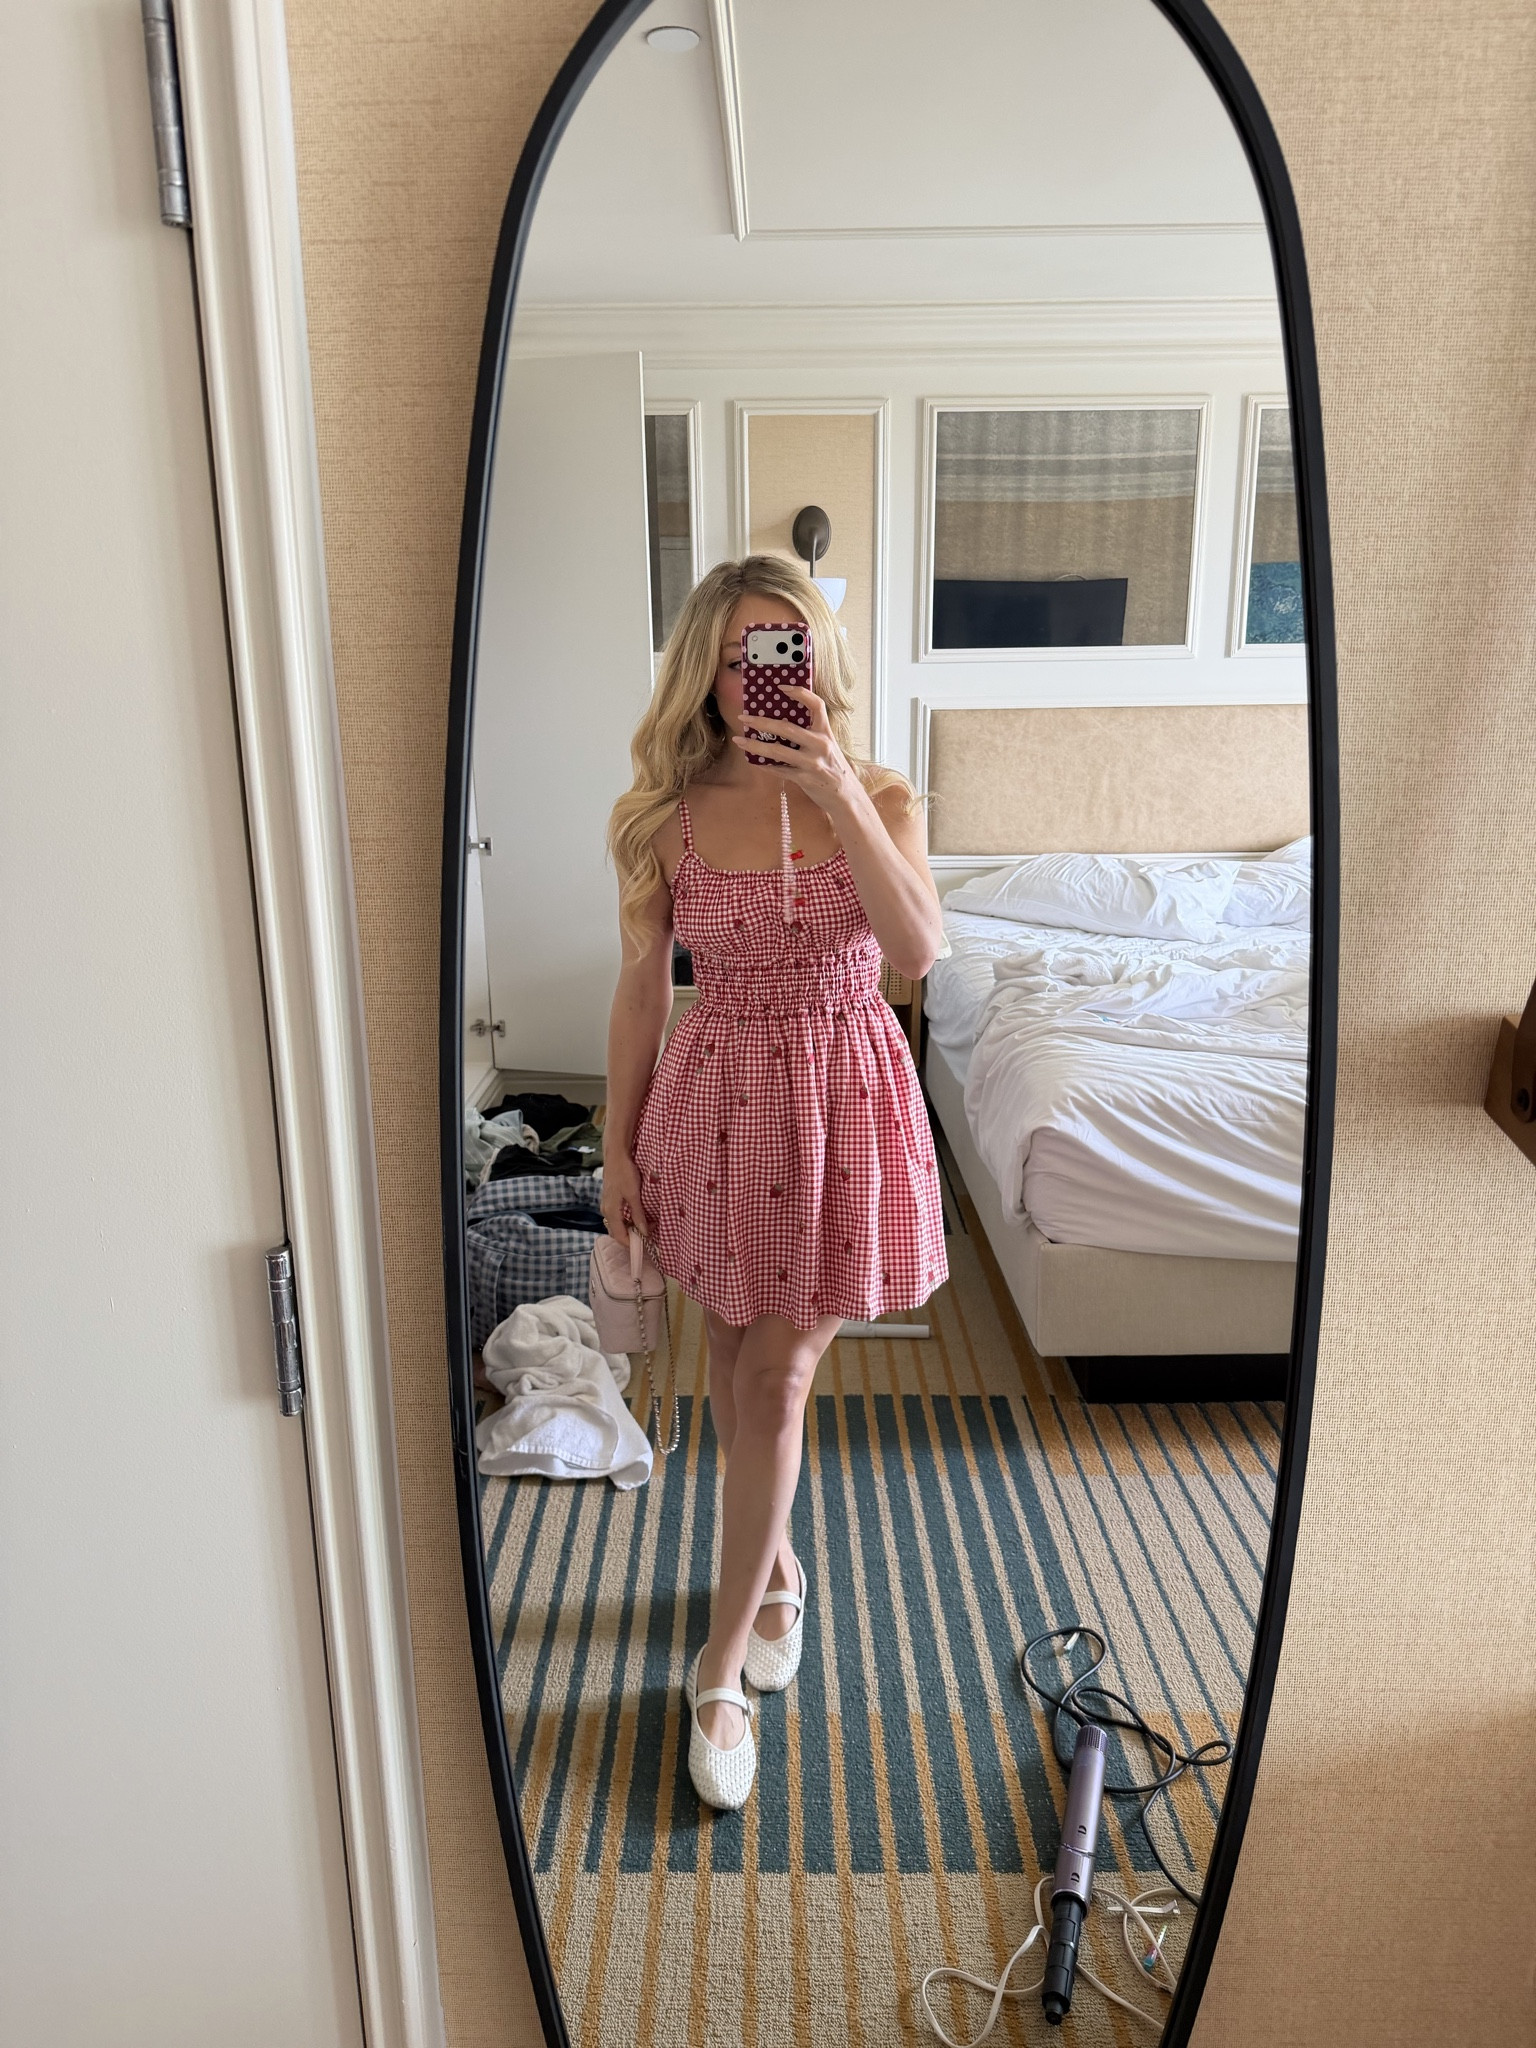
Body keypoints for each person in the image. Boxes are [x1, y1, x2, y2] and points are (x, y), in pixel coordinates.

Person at [602, 556, 948, 1810]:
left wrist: (837, 789)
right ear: (708, 666)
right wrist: (616, 1141)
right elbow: (643, 988)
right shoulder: (667, 816)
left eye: (785, 646)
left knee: (776, 1376)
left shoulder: (885, 795)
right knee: (732, 1352)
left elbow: (916, 953)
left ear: (817, 660)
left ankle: (716, 1670)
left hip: (844, 1103)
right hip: (716, 1103)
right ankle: (779, 1565)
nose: (764, 673)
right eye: (743, 651)